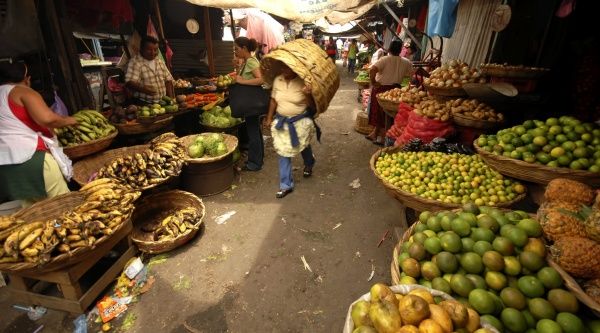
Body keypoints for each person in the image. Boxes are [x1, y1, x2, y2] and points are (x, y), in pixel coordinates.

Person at [0, 62, 78, 206]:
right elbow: (48, 119)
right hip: (33, 160)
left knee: (37, 215)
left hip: (6, 167)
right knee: (64, 208)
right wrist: (70, 120)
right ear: (27, 79)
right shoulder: (22, 91)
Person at [264, 63, 317, 199]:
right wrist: (269, 117)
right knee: (283, 151)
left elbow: (312, 107)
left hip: (300, 122)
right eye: (281, 67)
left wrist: (308, 95)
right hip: (282, 122)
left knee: (302, 145)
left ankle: (309, 162)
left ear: (294, 68)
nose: (283, 70)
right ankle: (285, 185)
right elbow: (273, 101)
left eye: (287, 67)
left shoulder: (303, 82)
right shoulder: (278, 80)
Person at [366, 40, 414, 145]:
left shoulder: (385, 59)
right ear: (400, 49)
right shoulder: (406, 62)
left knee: (379, 114)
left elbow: (372, 70)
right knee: (388, 115)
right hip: (396, 91)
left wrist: (373, 82)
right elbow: (412, 76)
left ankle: (383, 137)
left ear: (389, 48)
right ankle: (376, 134)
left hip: (382, 90)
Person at [234, 37, 265, 171]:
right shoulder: (247, 62)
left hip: (251, 103)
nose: (235, 51)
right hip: (250, 103)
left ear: (244, 48)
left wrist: (242, 82)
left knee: (253, 133)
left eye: (237, 48)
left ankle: (254, 163)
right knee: (255, 132)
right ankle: (257, 160)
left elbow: (260, 80)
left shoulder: (251, 62)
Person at [125, 35, 174, 103]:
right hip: (144, 103)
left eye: (155, 50)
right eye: (149, 50)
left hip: (162, 102)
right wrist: (144, 89)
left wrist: (171, 99)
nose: (153, 53)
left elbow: (168, 80)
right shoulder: (135, 62)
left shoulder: (159, 61)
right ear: (142, 49)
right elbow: (129, 82)